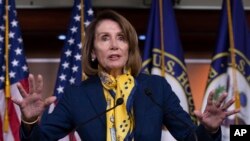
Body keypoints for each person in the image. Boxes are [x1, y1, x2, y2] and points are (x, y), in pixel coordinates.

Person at [12, 10, 240, 141]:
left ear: (129, 47)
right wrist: (30, 121)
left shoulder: (155, 88)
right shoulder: (77, 95)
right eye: (104, 38)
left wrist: (209, 129)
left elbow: (191, 138)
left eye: (121, 38)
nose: (114, 45)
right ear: (92, 51)